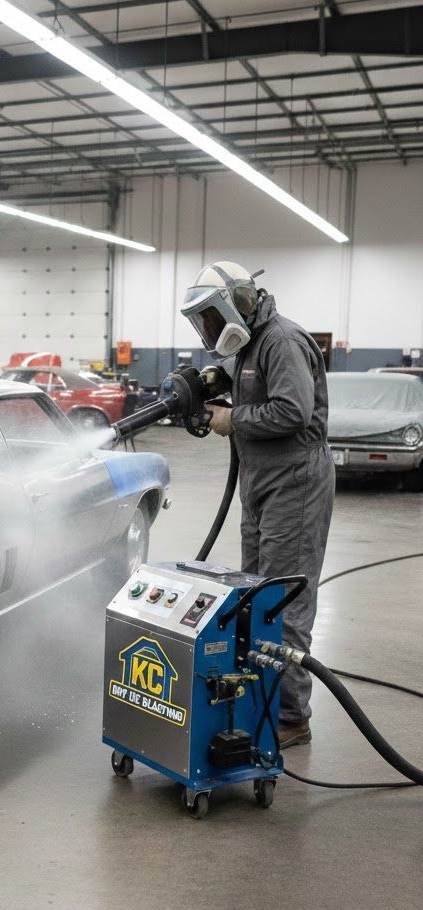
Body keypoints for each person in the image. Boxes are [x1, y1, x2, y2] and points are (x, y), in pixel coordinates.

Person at [180, 261, 334, 747]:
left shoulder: (281, 340)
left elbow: (292, 410)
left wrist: (234, 419)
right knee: (255, 594)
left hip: (295, 480)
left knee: (284, 599)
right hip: (262, 479)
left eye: (211, 316)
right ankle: (258, 702)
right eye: (202, 321)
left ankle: (290, 716)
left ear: (237, 303)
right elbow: (246, 380)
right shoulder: (248, 343)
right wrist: (216, 380)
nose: (209, 328)